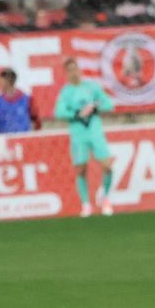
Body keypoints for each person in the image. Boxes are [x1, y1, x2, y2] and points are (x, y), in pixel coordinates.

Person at [54, 57, 116, 217]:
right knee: (81, 169)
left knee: (107, 165)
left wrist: (95, 108)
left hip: (94, 131)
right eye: (69, 70)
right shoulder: (66, 92)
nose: (73, 73)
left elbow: (109, 104)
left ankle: (106, 197)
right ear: (66, 74)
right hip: (78, 133)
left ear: (79, 70)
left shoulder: (91, 88)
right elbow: (58, 112)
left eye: (75, 68)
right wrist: (75, 113)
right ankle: (86, 204)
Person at [0, 67, 37, 135]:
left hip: (22, 139)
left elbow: (35, 119)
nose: (0, 84)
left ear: (7, 82)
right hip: (4, 141)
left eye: (1, 81)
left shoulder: (26, 99)